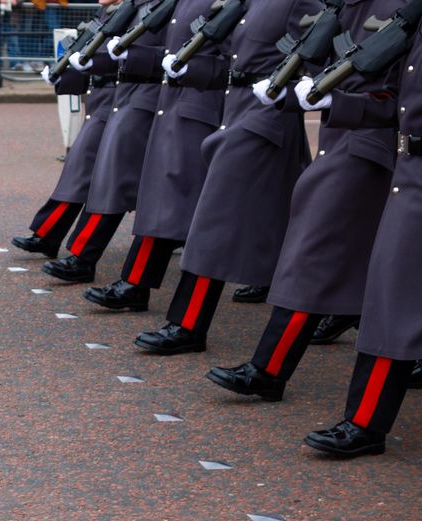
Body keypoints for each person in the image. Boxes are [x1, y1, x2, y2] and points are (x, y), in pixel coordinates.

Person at [206, 0, 403, 403]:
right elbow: (327, 70)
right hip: (344, 141)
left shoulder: (397, 7)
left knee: (312, 256)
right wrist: (287, 92)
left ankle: (268, 369)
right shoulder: (350, 7)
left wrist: (333, 100)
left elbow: (395, 91)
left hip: (369, 147)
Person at [134, 0, 320, 355]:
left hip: (265, 118)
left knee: (213, 222)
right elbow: (231, 67)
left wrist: (292, 88)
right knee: (284, 219)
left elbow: (321, 54)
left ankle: (188, 324)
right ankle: (323, 302)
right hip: (237, 111)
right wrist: (188, 68)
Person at [305, 5, 422, 456]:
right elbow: (394, 101)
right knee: (390, 298)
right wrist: (339, 102)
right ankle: (365, 423)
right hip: (411, 174)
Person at [83, 0, 228, 312]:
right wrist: (133, 55)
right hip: (173, 104)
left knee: (202, 209)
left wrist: (194, 68)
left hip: (202, 109)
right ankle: (135, 284)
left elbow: (236, 60)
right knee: (166, 200)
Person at [39, 0, 169, 284]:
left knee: (120, 182)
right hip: (119, 99)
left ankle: (82, 256)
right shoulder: (129, 8)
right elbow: (105, 56)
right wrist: (67, 71)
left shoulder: (162, 7)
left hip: (146, 101)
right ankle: (65, 245)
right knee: (96, 176)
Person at [12, 0, 119, 259]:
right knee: (79, 171)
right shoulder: (106, 12)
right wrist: (63, 75)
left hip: (120, 103)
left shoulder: (131, 12)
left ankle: (74, 249)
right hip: (102, 101)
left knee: (108, 182)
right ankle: (48, 235)